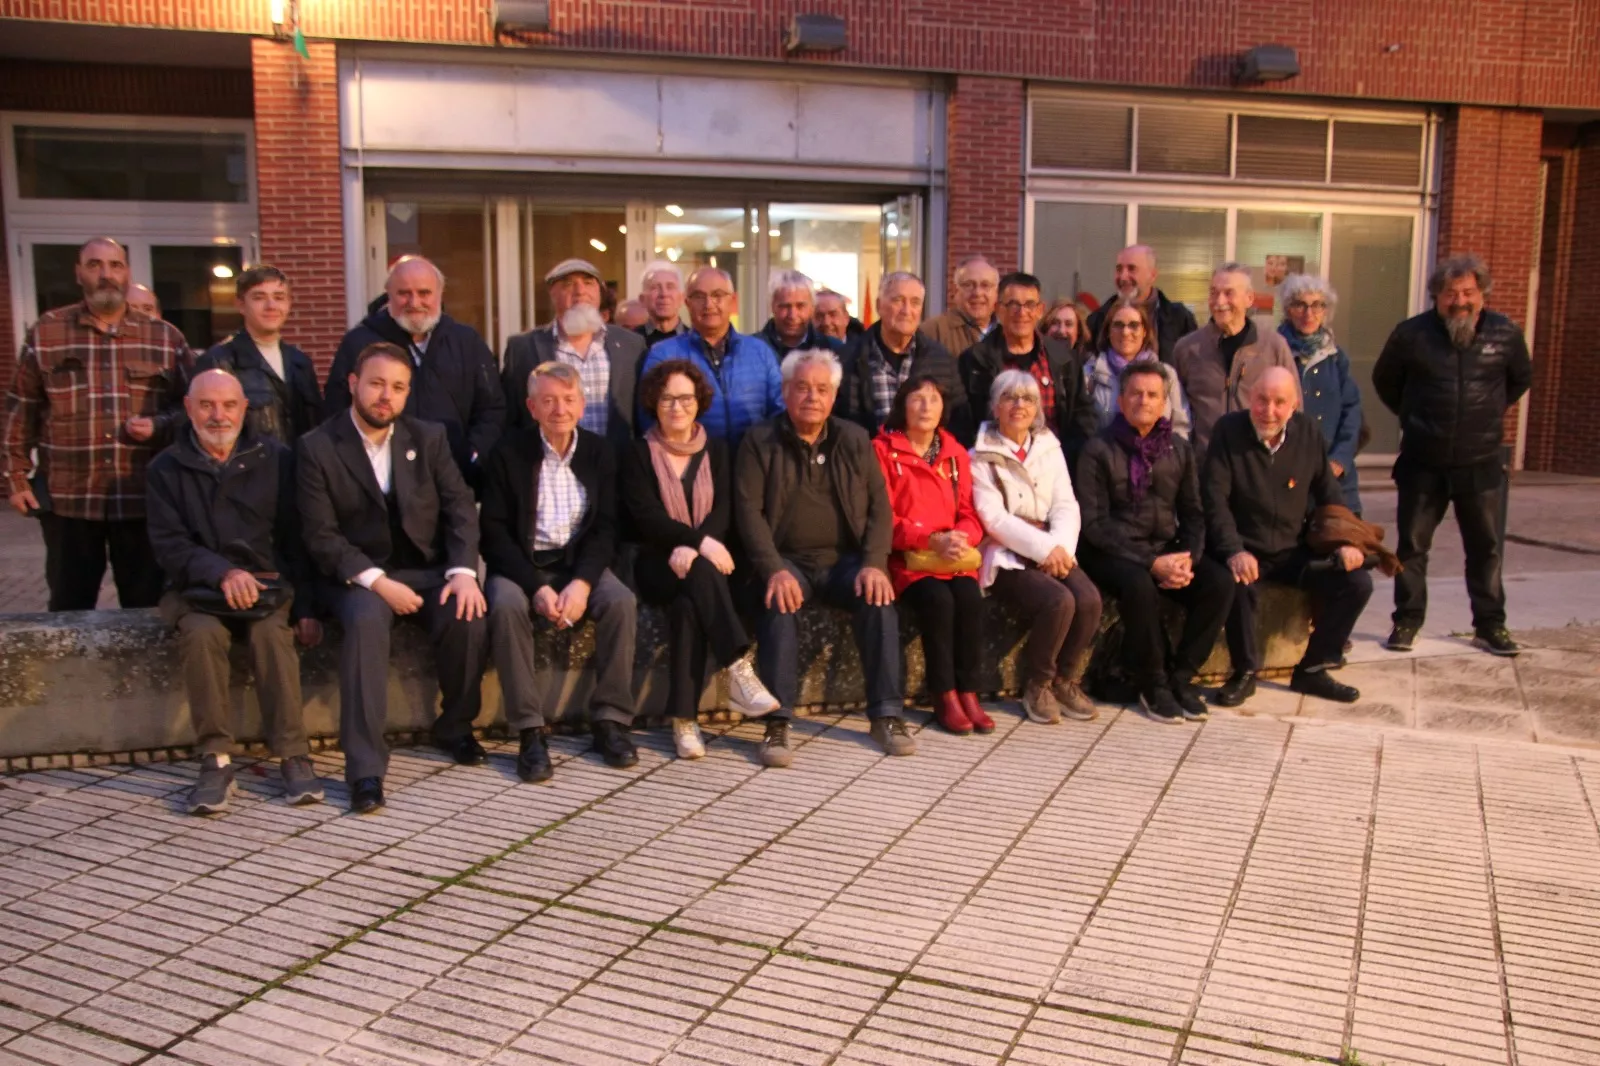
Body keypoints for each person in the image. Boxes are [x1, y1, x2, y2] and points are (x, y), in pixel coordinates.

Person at [298, 342, 489, 814]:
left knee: (468, 613)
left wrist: (464, 572)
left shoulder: (429, 438)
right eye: (377, 384)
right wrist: (379, 583)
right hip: (357, 577)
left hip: (426, 570)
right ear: (353, 384)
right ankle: (365, 768)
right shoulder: (317, 447)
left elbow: (460, 508)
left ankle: (455, 726)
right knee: (365, 622)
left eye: (398, 387)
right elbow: (321, 535)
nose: (386, 396)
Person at [146, 370, 324, 814]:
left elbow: (297, 540)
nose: (218, 415)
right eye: (206, 405)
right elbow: (169, 545)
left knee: (271, 636)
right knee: (201, 635)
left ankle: (292, 753)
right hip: (195, 588)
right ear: (188, 409)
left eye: (228, 405)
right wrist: (223, 572)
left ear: (245, 409)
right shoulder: (165, 468)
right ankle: (215, 759)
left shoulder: (277, 458)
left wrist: (306, 606)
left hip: (266, 587)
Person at [735, 348, 914, 767]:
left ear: (833, 396)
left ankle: (886, 714)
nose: (811, 397)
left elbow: (880, 507)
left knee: (879, 597)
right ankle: (777, 721)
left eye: (821, 389)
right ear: (785, 392)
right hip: (786, 560)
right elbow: (748, 513)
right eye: (802, 388)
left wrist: (874, 562)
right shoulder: (760, 441)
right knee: (779, 601)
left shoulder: (853, 439)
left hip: (843, 561)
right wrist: (773, 569)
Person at [3, 237, 187, 611]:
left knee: (145, 608)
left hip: (141, 497)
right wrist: (17, 476)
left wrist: (159, 425)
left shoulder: (165, 338)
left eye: (115, 265)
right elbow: (22, 408)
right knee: (69, 606)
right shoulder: (48, 332)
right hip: (69, 499)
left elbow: (189, 408)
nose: (106, 274)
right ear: (79, 273)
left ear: (127, 272)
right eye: (94, 265)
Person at [482, 362, 641, 781]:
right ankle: (529, 729)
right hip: (522, 564)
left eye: (568, 400)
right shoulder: (508, 453)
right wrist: (536, 587)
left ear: (582, 405)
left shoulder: (599, 452)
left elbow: (606, 527)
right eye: (548, 400)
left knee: (621, 602)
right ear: (531, 407)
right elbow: (493, 534)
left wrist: (583, 584)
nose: (559, 409)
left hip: (578, 563)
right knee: (504, 606)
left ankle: (610, 720)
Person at [1373, 253, 1532, 657]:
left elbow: (1519, 380)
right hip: (1423, 461)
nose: (1459, 301)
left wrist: (1485, 413)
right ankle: (1407, 621)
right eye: (1450, 293)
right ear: (1436, 297)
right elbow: (1385, 381)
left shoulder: (1506, 334)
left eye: (1467, 292)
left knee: (1485, 549)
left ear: (1482, 295)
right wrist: (1416, 416)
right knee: (1412, 548)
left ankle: (1490, 625)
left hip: (1480, 462)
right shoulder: (1410, 335)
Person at [622, 359, 781, 758]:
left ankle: (684, 720)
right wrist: (695, 543)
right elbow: (646, 517)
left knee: (689, 605)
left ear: (699, 402)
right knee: (698, 574)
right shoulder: (638, 453)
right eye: (667, 398)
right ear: (653, 403)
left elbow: (723, 511)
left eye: (685, 398)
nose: (677, 407)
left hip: (704, 565)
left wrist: (694, 548)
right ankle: (738, 669)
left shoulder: (718, 450)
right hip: (656, 561)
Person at [1203, 367, 1373, 706]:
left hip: (1292, 550)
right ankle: (1245, 672)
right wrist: (1234, 550)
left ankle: (1312, 669)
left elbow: (1328, 493)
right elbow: (1214, 500)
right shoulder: (1228, 431)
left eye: (1279, 402)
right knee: (1236, 584)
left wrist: (1345, 541)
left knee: (1357, 584)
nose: (1269, 411)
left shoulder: (1308, 432)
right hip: (1245, 548)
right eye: (1262, 400)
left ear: (1294, 405)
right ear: (1250, 398)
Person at [1076, 363, 1233, 724]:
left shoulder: (1178, 449)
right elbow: (1095, 524)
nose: (1143, 401)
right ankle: (1153, 683)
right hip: (1110, 552)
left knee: (1220, 583)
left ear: (1164, 403)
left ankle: (1181, 677)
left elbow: (1193, 514)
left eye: (1152, 395)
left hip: (1163, 547)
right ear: (1120, 400)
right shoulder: (1097, 449)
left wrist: (1187, 558)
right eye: (1135, 393)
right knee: (1139, 585)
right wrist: (1151, 563)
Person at [970, 370, 1103, 725]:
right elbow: (993, 518)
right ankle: (1038, 684)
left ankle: (1065, 680)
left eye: (1028, 399)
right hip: (1006, 551)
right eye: (1009, 397)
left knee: (1089, 600)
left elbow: (1066, 504)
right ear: (995, 406)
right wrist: (1043, 550)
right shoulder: (979, 455)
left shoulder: (1049, 447)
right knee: (1058, 601)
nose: (1019, 405)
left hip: (1055, 546)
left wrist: (1060, 550)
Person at [872, 375, 991, 736]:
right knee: (938, 601)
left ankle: (969, 691)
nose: (926, 407)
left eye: (934, 399)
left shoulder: (955, 453)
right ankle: (944, 694)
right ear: (902, 405)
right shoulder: (882, 450)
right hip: (910, 559)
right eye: (917, 399)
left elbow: (969, 511)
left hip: (952, 557)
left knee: (970, 598)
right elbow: (883, 518)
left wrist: (962, 537)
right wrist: (930, 539)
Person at [326, 256, 504, 488]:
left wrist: (474, 454)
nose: (414, 302)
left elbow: (492, 408)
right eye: (404, 293)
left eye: (424, 293)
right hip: (380, 484)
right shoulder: (359, 343)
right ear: (389, 294)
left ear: (440, 294)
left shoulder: (467, 342)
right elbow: (336, 409)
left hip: (454, 480)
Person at [501, 257, 647, 449]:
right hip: (548, 461)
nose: (580, 291)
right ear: (552, 293)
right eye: (568, 284)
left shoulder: (631, 345)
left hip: (616, 462)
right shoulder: (523, 348)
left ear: (600, 291)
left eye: (588, 283)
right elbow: (510, 416)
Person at [960, 271, 1097, 462]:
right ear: (998, 309)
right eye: (1013, 304)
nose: (1022, 312)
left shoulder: (1063, 359)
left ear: (1040, 310)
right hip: (995, 465)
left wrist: (1068, 460)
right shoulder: (975, 361)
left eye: (1030, 305)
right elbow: (964, 424)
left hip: (1052, 465)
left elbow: (1082, 417)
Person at [640, 267, 784, 447]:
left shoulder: (760, 352)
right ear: (687, 303)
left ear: (733, 301)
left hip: (752, 459)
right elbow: (648, 418)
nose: (709, 304)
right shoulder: (664, 354)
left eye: (717, 295)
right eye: (699, 296)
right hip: (689, 460)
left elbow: (780, 411)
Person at [1173, 261, 1295, 455]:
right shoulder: (1187, 349)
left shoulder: (1273, 347)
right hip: (1205, 463)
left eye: (1229, 293)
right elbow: (1175, 413)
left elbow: (1294, 408)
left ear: (1249, 298)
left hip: (1258, 461)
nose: (1219, 301)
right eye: (1214, 293)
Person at [194, 265, 323, 447]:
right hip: (248, 465)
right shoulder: (219, 362)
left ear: (288, 304)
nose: (271, 306)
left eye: (279, 297)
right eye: (259, 297)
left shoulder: (301, 363)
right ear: (240, 305)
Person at [840, 271, 968, 441]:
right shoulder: (848, 359)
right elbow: (841, 423)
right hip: (867, 456)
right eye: (898, 300)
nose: (906, 311)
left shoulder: (941, 359)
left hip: (925, 457)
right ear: (879, 306)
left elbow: (960, 423)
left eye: (915, 302)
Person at [1278, 274, 1364, 514]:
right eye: (1300, 305)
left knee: (1340, 531)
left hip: (1333, 472)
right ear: (1288, 310)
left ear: (1326, 311)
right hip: (1287, 471)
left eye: (1317, 305)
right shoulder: (1276, 351)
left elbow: (1352, 411)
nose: (1309, 313)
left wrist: (1340, 459)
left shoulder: (1336, 357)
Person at [1084, 300, 1190, 438]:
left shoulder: (1167, 374)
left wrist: (1172, 451)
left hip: (1160, 452)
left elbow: (1181, 427)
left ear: (1145, 331)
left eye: (1134, 325)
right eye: (1118, 325)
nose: (1125, 332)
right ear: (1108, 332)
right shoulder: (1090, 374)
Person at [1084, 245, 1199, 367]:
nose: (1123, 277)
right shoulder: (1096, 321)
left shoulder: (1180, 319)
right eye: (1119, 269)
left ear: (1152, 275)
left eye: (1131, 269)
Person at [922, 254, 999, 355]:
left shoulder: (1009, 330)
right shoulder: (932, 331)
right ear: (955, 290)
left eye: (985, 285)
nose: (977, 293)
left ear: (997, 292)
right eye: (969, 285)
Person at [759, 270, 843, 358]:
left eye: (800, 306)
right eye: (785, 306)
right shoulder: (752, 349)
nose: (792, 315)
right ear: (772, 307)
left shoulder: (834, 349)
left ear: (812, 308)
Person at [639, 260, 690, 349]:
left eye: (670, 287)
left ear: (682, 298)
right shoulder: (631, 343)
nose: (664, 294)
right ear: (642, 299)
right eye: (655, 288)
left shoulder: (696, 342)